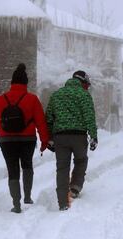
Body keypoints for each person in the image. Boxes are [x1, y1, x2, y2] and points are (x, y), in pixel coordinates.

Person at [0, 63, 49, 213]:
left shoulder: (1, 99)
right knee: (27, 165)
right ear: (25, 83)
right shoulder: (32, 99)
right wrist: (44, 141)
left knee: (12, 169)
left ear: (12, 82)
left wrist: (2, 128)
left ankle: (16, 204)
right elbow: (41, 122)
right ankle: (27, 197)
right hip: (28, 139)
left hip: (7, 141)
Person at [46, 70, 98, 211]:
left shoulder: (56, 95)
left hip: (60, 137)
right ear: (83, 82)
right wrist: (93, 136)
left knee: (62, 168)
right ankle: (74, 188)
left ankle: (63, 202)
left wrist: (49, 138)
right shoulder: (84, 95)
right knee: (81, 160)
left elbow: (49, 119)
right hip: (79, 137)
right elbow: (89, 117)